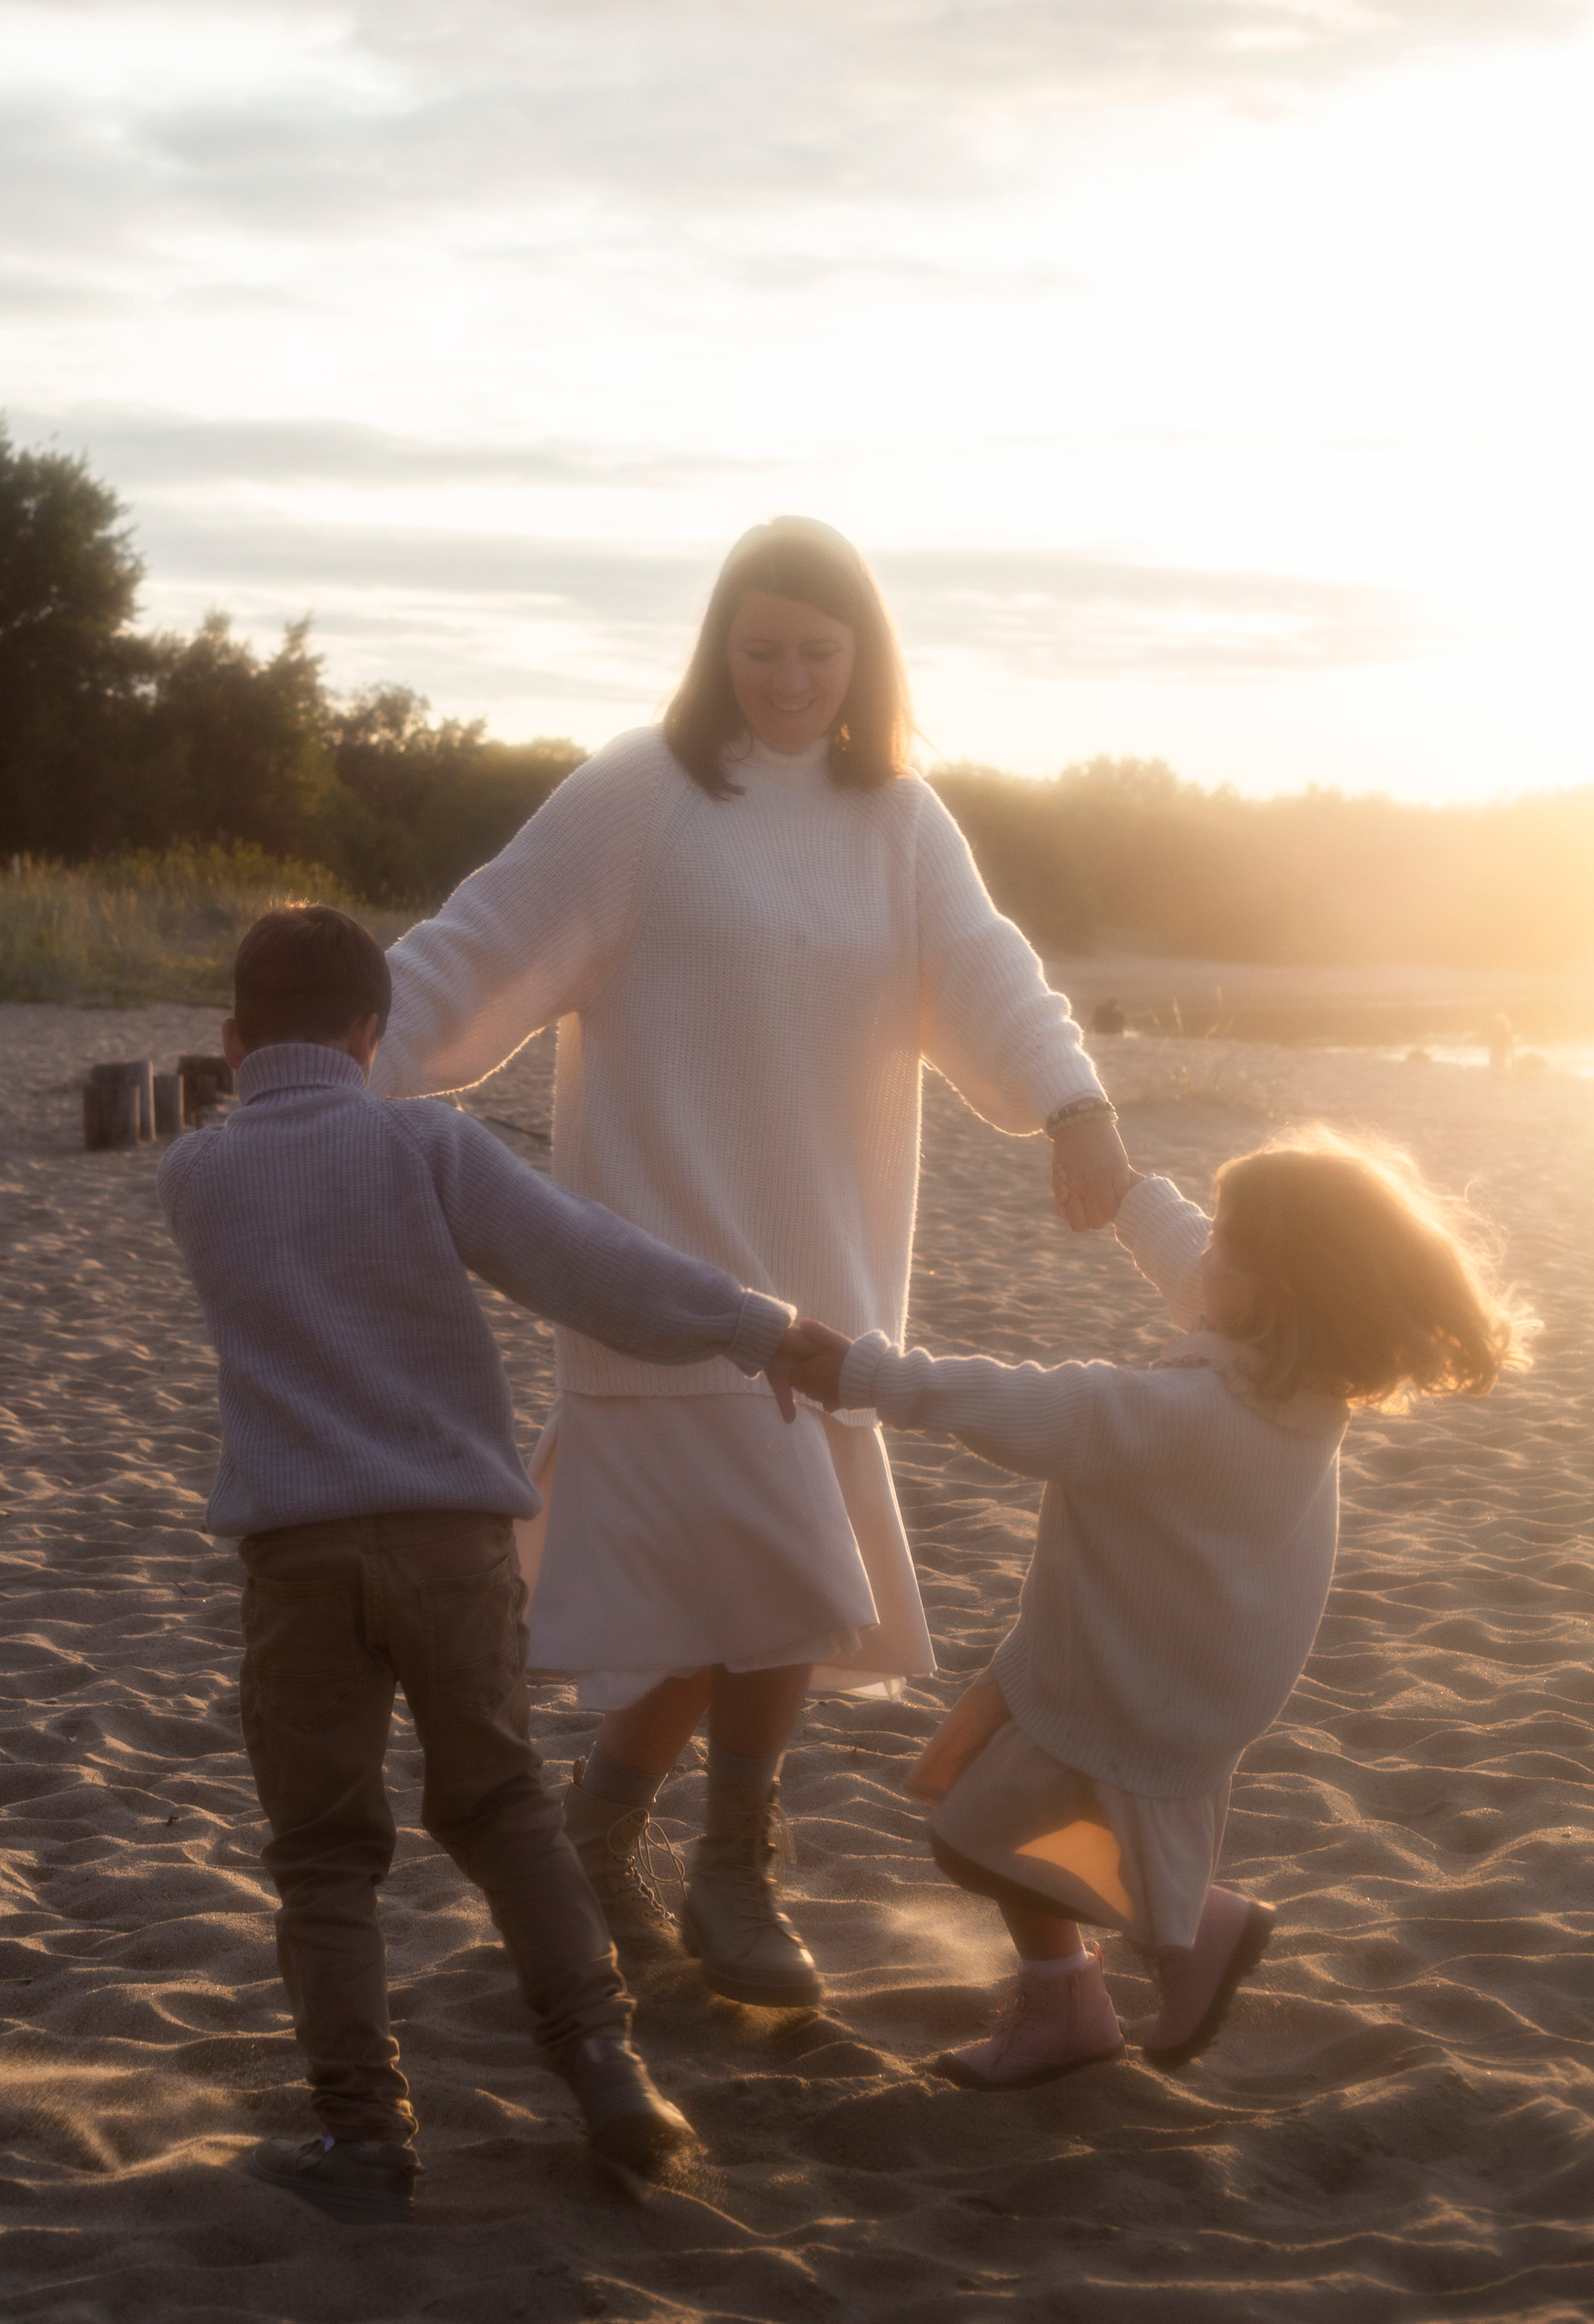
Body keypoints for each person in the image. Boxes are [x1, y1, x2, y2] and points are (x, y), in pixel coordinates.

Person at [371, 519, 1129, 2008]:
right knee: (763, 1575)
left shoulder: (899, 822)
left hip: (829, 1260)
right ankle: (717, 1865)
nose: (788, 680)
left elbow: (987, 970)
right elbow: (476, 946)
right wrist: (328, 1054)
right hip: (655, 1253)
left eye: (818, 653)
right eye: (761, 648)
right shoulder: (635, 797)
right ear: (719, 649)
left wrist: (1073, 1099)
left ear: (862, 662)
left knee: (770, 1581)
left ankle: (634, 1834)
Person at [158, 904, 838, 2223]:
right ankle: (607, 2071)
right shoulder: (422, 1142)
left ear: (231, 1041)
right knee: (504, 1811)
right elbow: (589, 1269)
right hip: (452, 1549)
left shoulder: (195, 1173)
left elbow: (286, 1173)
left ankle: (364, 2140)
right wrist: (758, 1325)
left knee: (322, 1856)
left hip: (298, 1564)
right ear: (374, 1033)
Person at [769, 1129, 1528, 2088]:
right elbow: (1192, 1263)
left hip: (1132, 1675)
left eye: (1226, 1248)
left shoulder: (1192, 1415)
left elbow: (1042, 1406)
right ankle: (1089, 1987)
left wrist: (867, 1376)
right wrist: (1129, 1195)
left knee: (974, 1839)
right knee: (1006, 1814)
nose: (1202, 1255)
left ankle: (1177, 1936)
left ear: (1263, 1290)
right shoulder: (1292, 1371)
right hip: (1166, 1655)